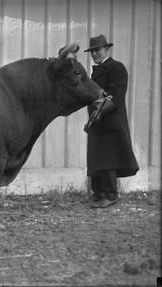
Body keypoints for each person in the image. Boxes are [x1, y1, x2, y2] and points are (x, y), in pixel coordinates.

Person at [84, 34, 139, 208]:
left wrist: (99, 111)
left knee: (108, 157)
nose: (94, 54)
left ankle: (110, 194)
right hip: (97, 122)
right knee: (97, 157)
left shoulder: (116, 68)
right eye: (92, 51)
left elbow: (115, 94)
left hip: (111, 120)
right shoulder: (96, 71)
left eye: (97, 50)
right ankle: (99, 193)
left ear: (107, 49)